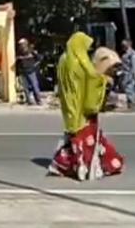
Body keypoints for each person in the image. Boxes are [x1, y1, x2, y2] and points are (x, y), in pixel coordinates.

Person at [48, 32, 124, 180]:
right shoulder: (81, 62)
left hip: (70, 107)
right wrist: (104, 80)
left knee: (76, 138)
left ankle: (64, 164)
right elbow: (92, 79)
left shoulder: (63, 60)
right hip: (84, 107)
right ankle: (88, 167)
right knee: (87, 139)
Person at [16, 38, 42, 105]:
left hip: (31, 71)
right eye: (20, 45)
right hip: (23, 72)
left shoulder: (31, 51)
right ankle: (29, 101)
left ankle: (38, 100)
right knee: (25, 87)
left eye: (22, 44)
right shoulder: (19, 53)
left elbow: (39, 58)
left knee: (34, 86)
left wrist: (34, 66)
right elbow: (17, 62)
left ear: (25, 44)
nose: (21, 46)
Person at [120, 39, 135, 112]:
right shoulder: (126, 54)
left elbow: (134, 66)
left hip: (130, 74)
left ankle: (133, 105)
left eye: (124, 45)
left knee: (130, 89)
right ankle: (130, 104)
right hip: (125, 74)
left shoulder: (132, 54)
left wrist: (133, 75)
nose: (123, 46)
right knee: (127, 89)